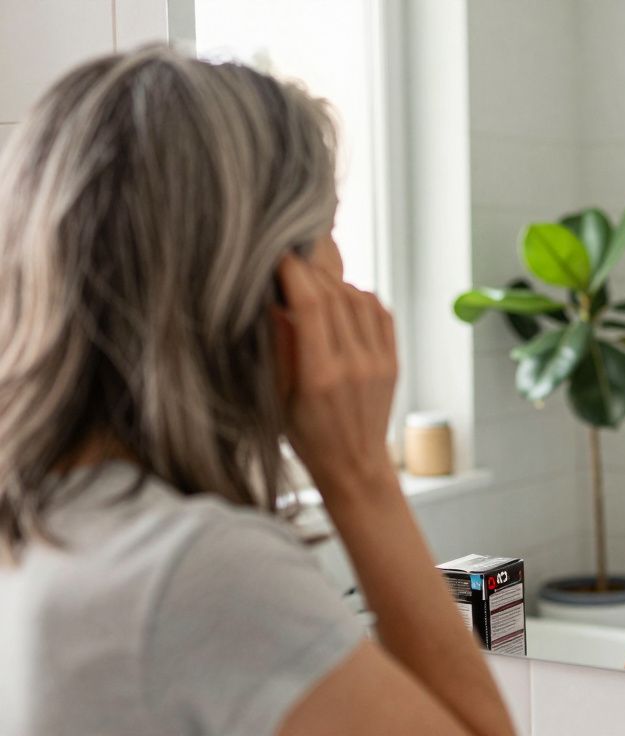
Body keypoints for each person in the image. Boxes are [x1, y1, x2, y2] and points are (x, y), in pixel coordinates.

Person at [0, 47, 515, 736]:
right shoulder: (194, 573)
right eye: (327, 230)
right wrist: (361, 475)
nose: (343, 275)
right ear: (267, 278)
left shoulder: (52, 522)